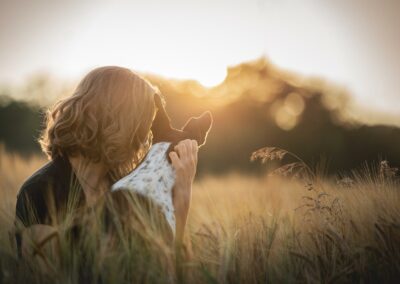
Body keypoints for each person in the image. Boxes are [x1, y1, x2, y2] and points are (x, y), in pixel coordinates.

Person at [15, 66, 198, 259]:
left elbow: (169, 270)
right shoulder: (40, 191)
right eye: (143, 124)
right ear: (119, 120)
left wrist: (181, 199)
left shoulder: (129, 192)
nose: (146, 138)